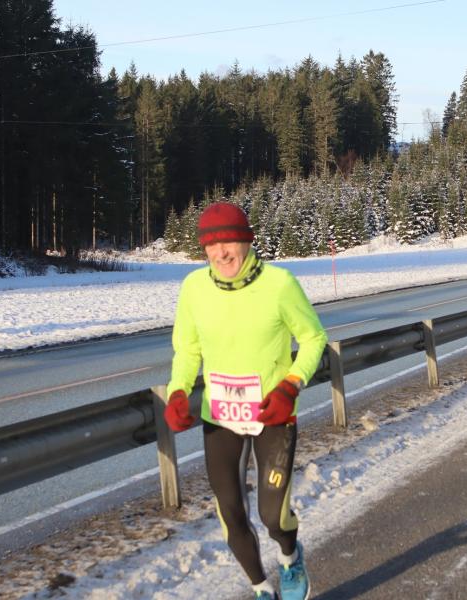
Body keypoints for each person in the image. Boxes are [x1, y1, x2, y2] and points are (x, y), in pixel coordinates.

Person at [164, 201, 327, 600]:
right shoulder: (194, 288)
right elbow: (187, 351)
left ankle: (290, 557)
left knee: (273, 515)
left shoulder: (279, 283)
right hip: (221, 417)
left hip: (273, 412)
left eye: (229, 243)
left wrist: (290, 386)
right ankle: (259, 588)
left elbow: (313, 339)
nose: (221, 253)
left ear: (247, 241)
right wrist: (178, 391)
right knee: (230, 515)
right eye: (211, 246)